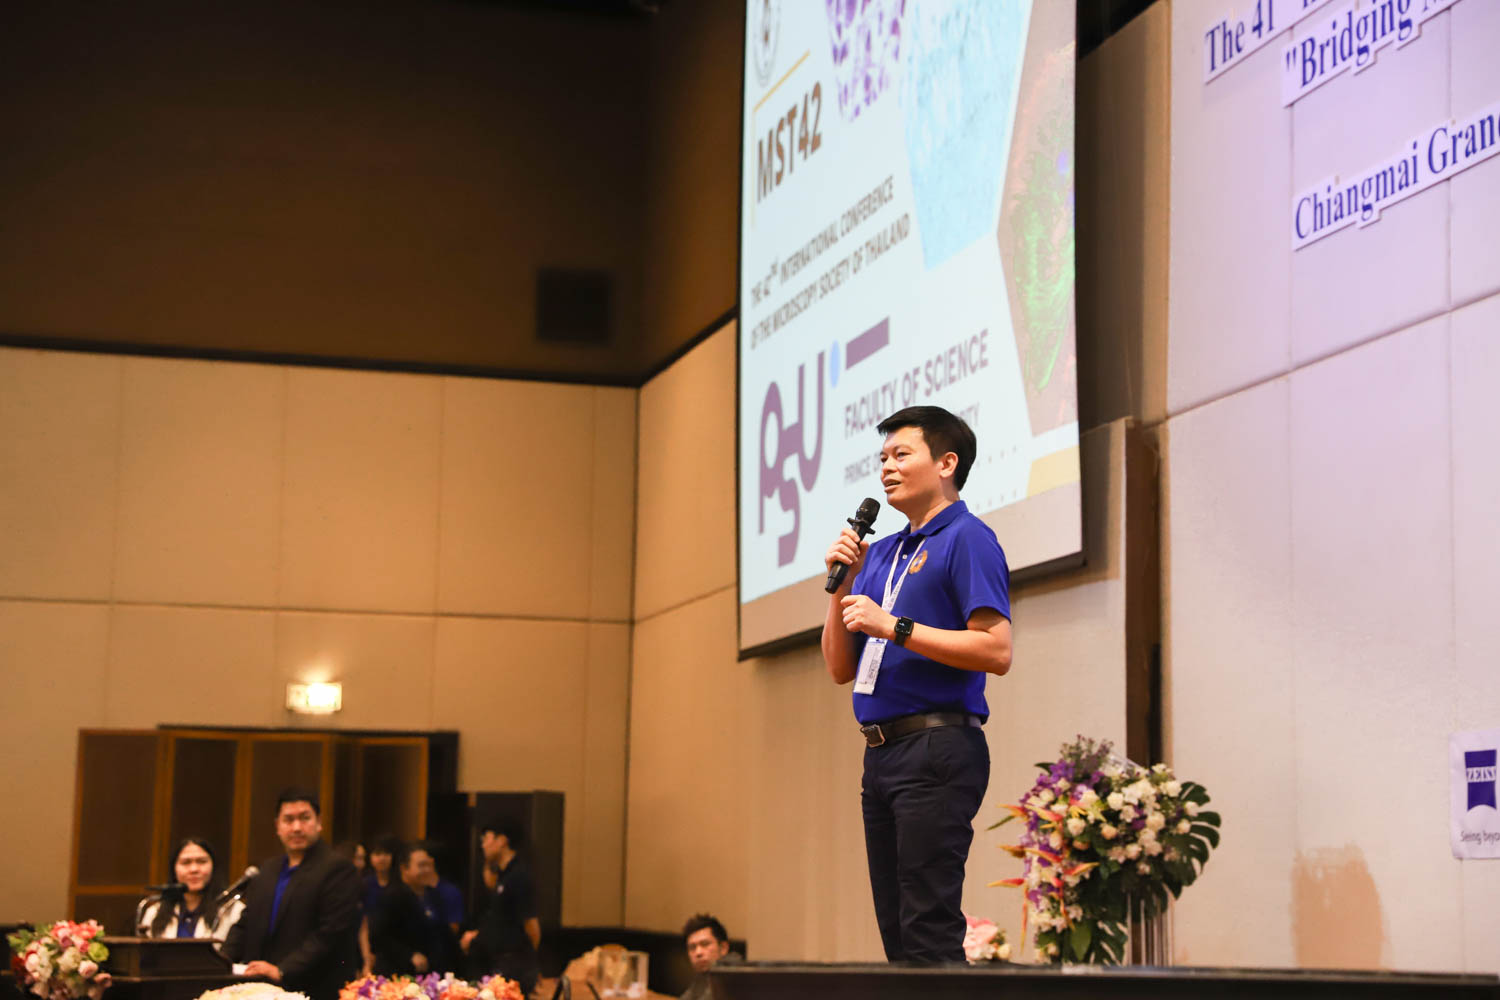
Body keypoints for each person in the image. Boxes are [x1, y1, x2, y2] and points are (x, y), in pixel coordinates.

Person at [820, 405, 1012, 964]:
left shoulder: (968, 538)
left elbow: (996, 649)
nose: (886, 468)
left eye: (901, 454)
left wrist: (895, 627)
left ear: (946, 463)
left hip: (937, 747)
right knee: (898, 935)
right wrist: (841, 587)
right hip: (880, 754)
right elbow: (840, 668)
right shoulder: (880, 552)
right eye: (882, 457)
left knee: (928, 928)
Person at [223, 788, 362, 1000]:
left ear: (319, 822)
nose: (296, 827)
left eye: (304, 818)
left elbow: (329, 933)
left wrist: (282, 970)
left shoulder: (338, 869)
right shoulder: (267, 870)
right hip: (261, 988)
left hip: (315, 988)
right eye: (288, 820)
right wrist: (220, 962)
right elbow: (246, 923)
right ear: (277, 826)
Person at [460, 822, 539, 997]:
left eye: (486, 839)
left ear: (502, 840)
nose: (483, 845)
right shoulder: (503, 875)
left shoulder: (519, 876)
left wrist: (528, 963)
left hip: (513, 964)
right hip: (496, 960)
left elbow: (532, 926)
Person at [139, 837, 244, 944]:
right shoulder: (154, 912)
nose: (194, 869)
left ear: (213, 867)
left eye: (201, 861)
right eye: (186, 862)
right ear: (174, 869)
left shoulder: (234, 910)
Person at [368, 843, 438, 976]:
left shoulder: (433, 895)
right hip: (396, 973)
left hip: (427, 973)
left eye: (428, 865)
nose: (427, 870)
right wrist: (409, 955)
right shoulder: (391, 895)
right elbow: (377, 936)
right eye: (421, 865)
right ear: (404, 868)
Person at [678, 914, 741, 1000]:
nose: (698, 952)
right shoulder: (704, 974)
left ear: (723, 948)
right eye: (692, 947)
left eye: (705, 944)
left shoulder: (731, 974)